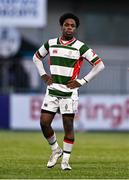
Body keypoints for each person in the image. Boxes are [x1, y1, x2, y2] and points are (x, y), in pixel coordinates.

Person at [33, 13, 105, 170]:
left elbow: (99, 65)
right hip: (52, 91)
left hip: (69, 93)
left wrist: (82, 81)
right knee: (44, 123)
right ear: (61, 26)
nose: (69, 28)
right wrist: (43, 75)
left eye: (72, 26)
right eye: (67, 25)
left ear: (75, 29)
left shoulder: (81, 47)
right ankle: (55, 150)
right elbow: (36, 57)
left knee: (68, 125)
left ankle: (65, 161)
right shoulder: (51, 43)